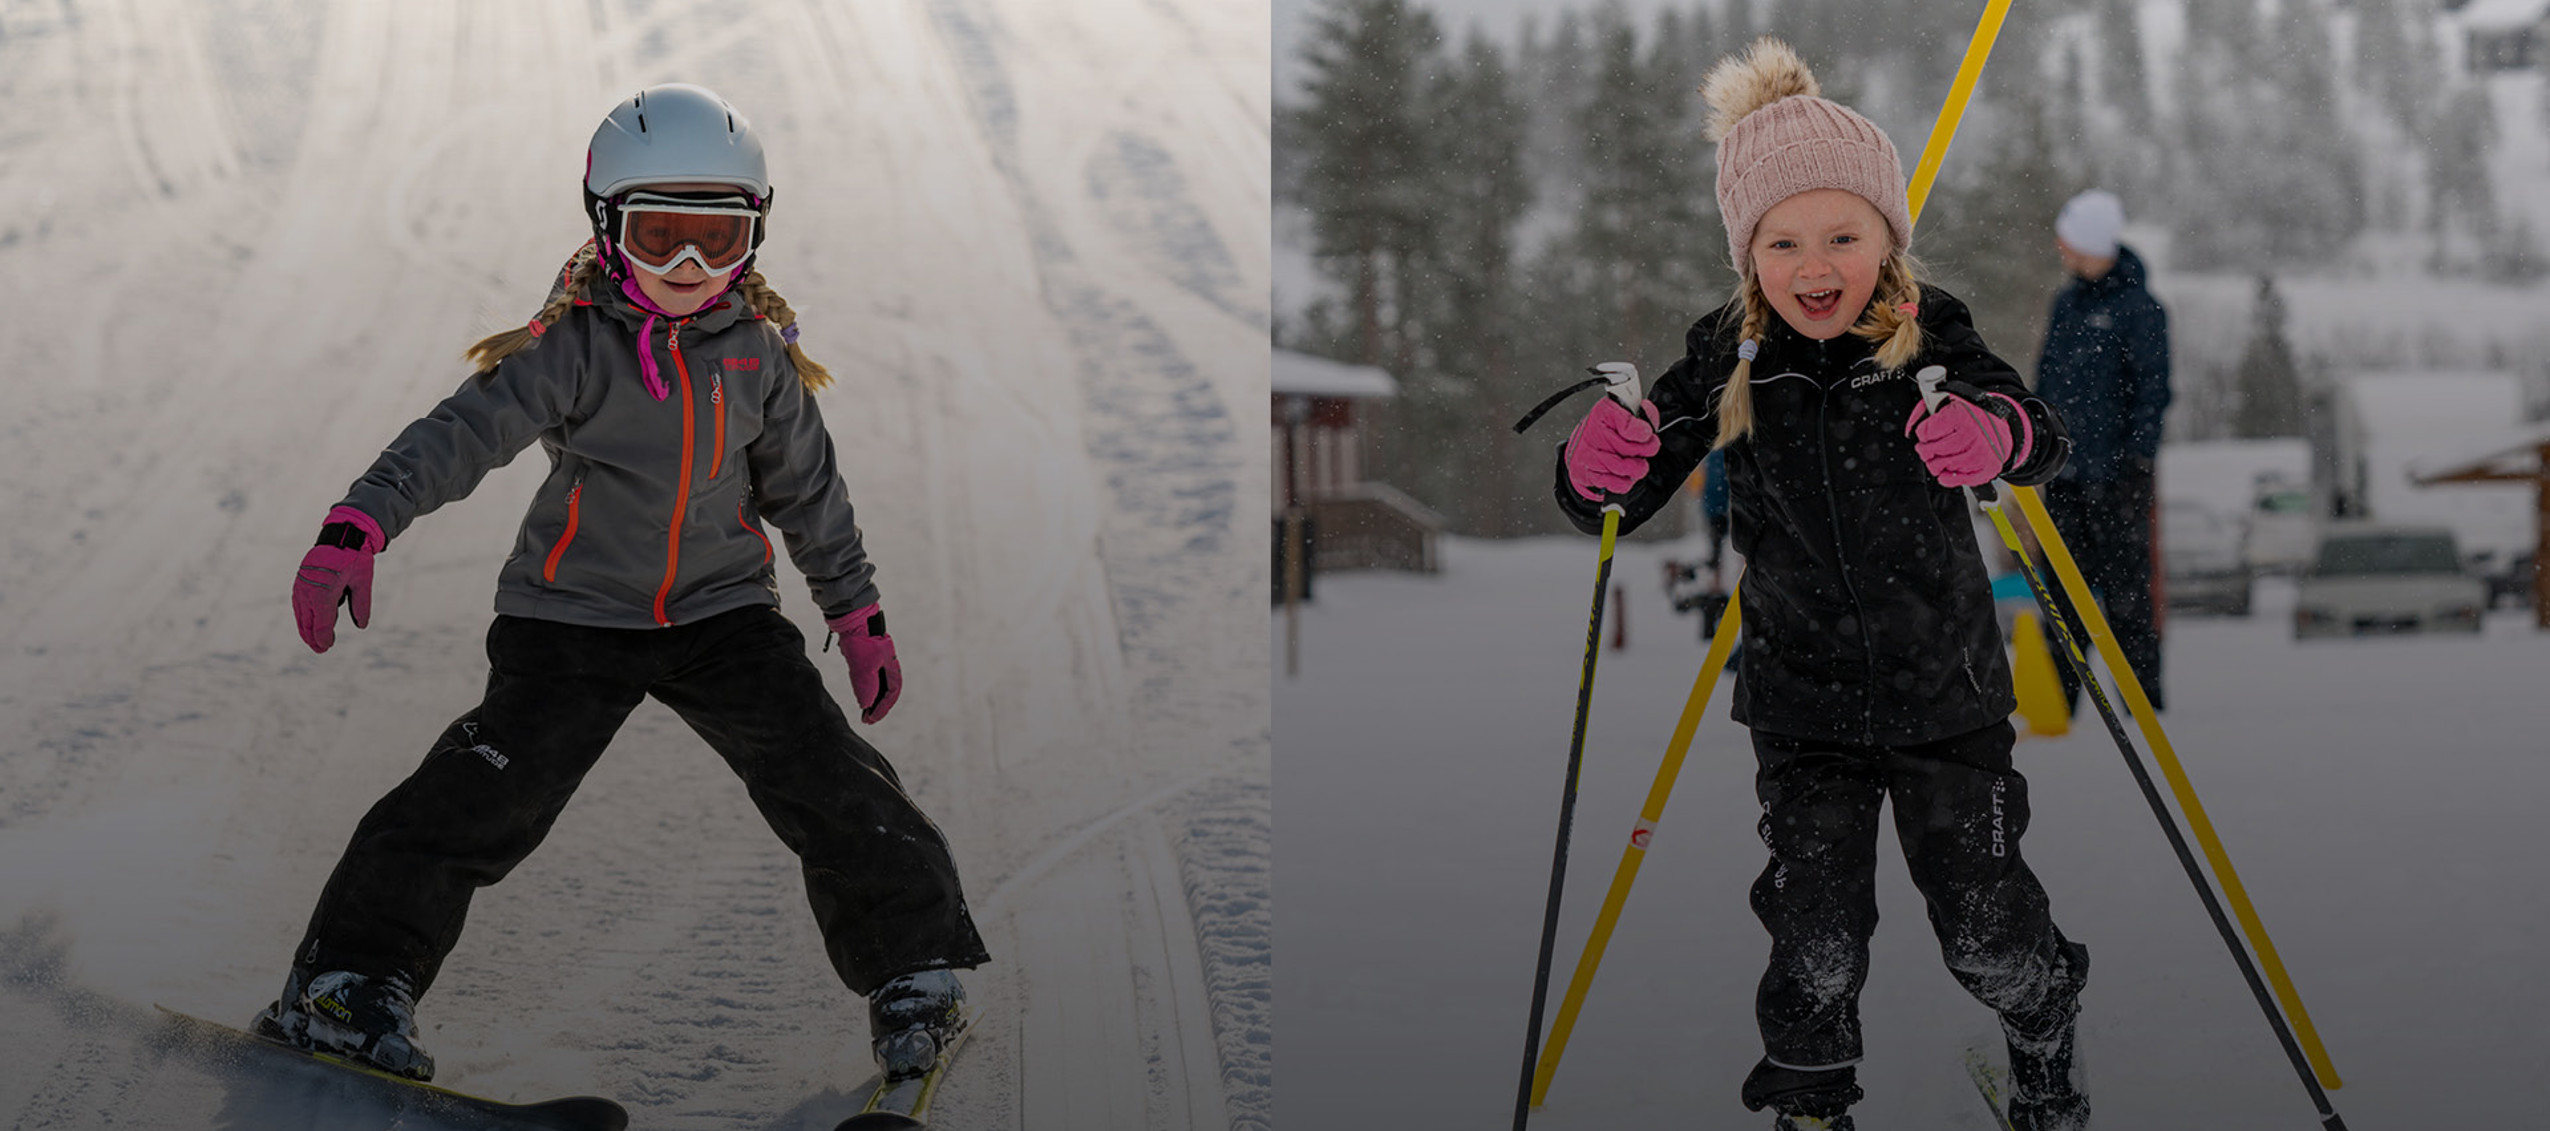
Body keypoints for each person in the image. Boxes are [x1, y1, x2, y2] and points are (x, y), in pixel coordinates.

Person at [259, 83, 990, 1085]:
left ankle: (917, 973)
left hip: (723, 614)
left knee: (832, 780)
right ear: (607, 230)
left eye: (716, 238)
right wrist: (360, 521)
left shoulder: (758, 359)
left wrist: (854, 610)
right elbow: (461, 435)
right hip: (571, 619)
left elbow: (810, 493)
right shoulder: (571, 347)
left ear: (756, 234)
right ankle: (345, 982)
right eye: (659, 237)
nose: (689, 267)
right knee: (483, 796)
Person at [1552, 40, 2089, 1131]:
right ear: (1749, 256)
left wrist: (1993, 435)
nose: (1815, 264)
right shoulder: (1727, 354)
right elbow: (1628, 483)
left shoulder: (1929, 335)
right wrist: (1595, 467)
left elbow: (2039, 434)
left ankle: (2042, 1028)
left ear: (1886, 239)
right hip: (1803, 704)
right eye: (1784, 241)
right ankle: (1811, 1110)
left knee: (1987, 930)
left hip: (1949, 693)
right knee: (1816, 936)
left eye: (1843, 235)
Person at [2035, 188, 2172, 715]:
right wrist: (2039, 451)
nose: (2062, 249)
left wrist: (2140, 460)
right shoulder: (2066, 303)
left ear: (2093, 244)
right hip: (2066, 478)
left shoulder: (2141, 310)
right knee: (2061, 597)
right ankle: (2060, 707)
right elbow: (2046, 384)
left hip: (2118, 481)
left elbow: (2153, 392)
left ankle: (2144, 708)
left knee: (2127, 598)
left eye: (2069, 239)